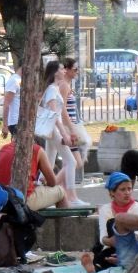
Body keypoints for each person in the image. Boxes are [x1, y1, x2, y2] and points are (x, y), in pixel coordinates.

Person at [41, 60, 84, 205]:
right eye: (61, 69)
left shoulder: (53, 88)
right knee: (71, 162)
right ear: (55, 72)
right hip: (54, 130)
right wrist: (64, 134)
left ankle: (40, 191)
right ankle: (71, 197)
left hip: (53, 130)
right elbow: (54, 114)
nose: (64, 71)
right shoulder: (52, 90)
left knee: (49, 163)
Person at [87, 172, 138, 271]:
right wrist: (110, 241)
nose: (127, 193)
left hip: (132, 245)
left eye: (129, 189)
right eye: (123, 189)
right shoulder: (105, 209)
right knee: (101, 256)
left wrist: (124, 241)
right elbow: (103, 237)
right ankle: (96, 265)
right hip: (113, 246)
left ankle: (122, 260)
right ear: (112, 192)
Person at [0, 139, 68, 211]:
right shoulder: (37, 149)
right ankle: (67, 223)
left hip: (0, 199)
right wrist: (45, 183)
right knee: (61, 191)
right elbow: (52, 182)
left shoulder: (4, 148)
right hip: (22, 200)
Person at [61, 58, 92, 191]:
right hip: (68, 127)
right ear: (66, 70)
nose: (77, 72)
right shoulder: (64, 86)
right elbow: (62, 109)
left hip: (70, 125)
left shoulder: (66, 85)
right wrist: (71, 128)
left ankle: (61, 188)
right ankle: (50, 182)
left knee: (71, 162)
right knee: (75, 163)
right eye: (74, 69)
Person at [1, 67, 21, 138]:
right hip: (15, 121)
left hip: (20, 121)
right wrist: (5, 125)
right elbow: (6, 104)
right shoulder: (14, 80)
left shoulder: (20, 80)